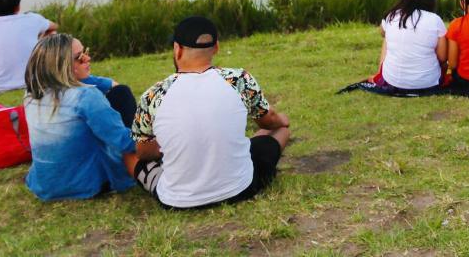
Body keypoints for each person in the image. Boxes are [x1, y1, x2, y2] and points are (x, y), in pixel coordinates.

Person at [132, 16, 291, 209]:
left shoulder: (152, 95)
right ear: (216, 47)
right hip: (240, 189)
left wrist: (169, 144)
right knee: (281, 131)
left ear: (177, 48)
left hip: (177, 201)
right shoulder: (238, 80)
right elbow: (268, 121)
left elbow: (143, 151)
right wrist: (282, 120)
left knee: (133, 160)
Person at [21, 34, 137, 200]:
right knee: (122, 95)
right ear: (62, 67)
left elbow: (81, 81)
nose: (88, 58)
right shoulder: (86, 96)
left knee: (119, 92)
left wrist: (108, 83)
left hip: (45, 185)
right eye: (79, 58)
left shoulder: (31, 94)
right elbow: (124, 141)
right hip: (89, 184)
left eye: (85, 52)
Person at [377, 0, 448, 91]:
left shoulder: (392, 15)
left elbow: (382, 32)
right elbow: (443, 57)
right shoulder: (435, 20)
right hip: (427, 83)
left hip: (392, 80)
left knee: (387, 39)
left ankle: (379, 74)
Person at [0, 0, 58, 93]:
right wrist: (39, 37)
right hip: (30, 81)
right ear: (18, 7)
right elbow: (54, 26)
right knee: (52, 34)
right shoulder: (32, 19)